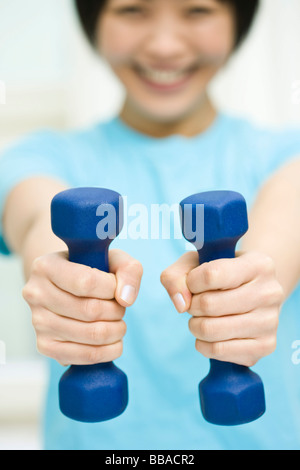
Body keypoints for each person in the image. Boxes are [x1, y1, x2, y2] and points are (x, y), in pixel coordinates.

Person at [1, 0, 300, 450]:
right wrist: (62, 281)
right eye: (132, 10)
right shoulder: (40, 157)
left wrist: (252, 281)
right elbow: (38, 214)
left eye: (197, 10)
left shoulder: (286, 156)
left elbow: (283, 229)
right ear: (94, 21)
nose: (163, 45)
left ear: (237, 20)